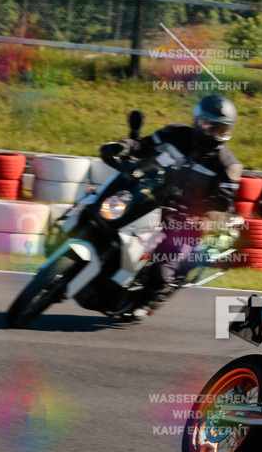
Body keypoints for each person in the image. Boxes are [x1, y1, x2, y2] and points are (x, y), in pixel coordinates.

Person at [99, 94, 243, 316]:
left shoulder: (228, 165)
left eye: (222, 129)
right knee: (107, 213)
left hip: (187, 218)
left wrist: (211, 215)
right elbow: (143, 145)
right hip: (149, 197)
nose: (216, 133)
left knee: (165, 266)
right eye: (212, 126)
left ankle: (146, 302)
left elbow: (223, 201)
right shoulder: (175, 133)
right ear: (199, 121)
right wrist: (123, 147)